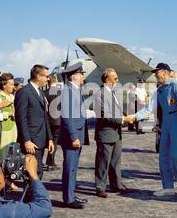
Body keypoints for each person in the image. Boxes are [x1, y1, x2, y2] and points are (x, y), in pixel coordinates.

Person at [136, 63, 177, 196]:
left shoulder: (176, 85)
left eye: (157, 72)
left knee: (176, 155)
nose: (155, 75)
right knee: (163, 155)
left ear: (165, 72)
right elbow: (150, 107)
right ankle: (168, 187)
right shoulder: (159, 90)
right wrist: (134, 117)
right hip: (165, 124)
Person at [94, 68, 133, 198]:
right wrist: (124, 119)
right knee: (103, 162)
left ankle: (116, 185)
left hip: (116, 134)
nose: (117, 80)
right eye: (115, 78)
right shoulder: (100, 94)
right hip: (106, 134)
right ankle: (100, 187)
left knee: (115, 162)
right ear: (107, 79)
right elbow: (105, 115)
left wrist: (127, 117)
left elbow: (117, 112)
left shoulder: (111, 93)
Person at [14, 65, 54, 179]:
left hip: (40, 139)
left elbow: (44, 117)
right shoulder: (24, 92)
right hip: (31, 141)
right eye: (46, 76)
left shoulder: (40, 92)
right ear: (38, 76)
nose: (48, 79)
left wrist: (50, 138)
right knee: (33, 173)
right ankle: (31, 197)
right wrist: (26, 140)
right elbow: (21, 118)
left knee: (38, 172)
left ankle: (34, 196)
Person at [59, 62, 89, 209]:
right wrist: (73, 136)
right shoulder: (68, 91)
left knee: (73, 167)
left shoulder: (75, 90)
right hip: (73, 137)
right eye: (82, 73)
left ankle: (71, 194)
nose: (83, 75)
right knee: (69, 167)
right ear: (75, 75)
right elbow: (67, 116)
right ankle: (68, 199)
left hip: (78, 135)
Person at [0, 73, 17, 162]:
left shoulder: (12, 96)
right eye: (11, 84)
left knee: (13, 151)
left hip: (13, 128)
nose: (13, 87)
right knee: (4, 153)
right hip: (4, 129)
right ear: (4, 85)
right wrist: (9, 114)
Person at [44, 74, 61, 170]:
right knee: (54, 142)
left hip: (47, 120)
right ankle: (50, 162)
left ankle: (48, 162)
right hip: (57, 120)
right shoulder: (59, 92)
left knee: (48, 141)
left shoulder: (44, 92)